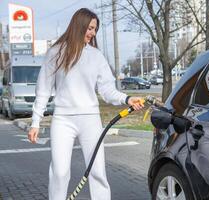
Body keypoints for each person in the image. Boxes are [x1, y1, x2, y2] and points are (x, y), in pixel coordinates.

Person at [27, 8, 144, 200]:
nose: (93, 33)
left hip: (90, 120)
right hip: (63, 120)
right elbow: (43, 91)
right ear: (79, 25)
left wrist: (126, 99)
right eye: (90, 28)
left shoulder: (96, 56)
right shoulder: (55, 53)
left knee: (97, 172)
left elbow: (107, 90)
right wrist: (35, 122)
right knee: (59, 171)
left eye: (95, 29)